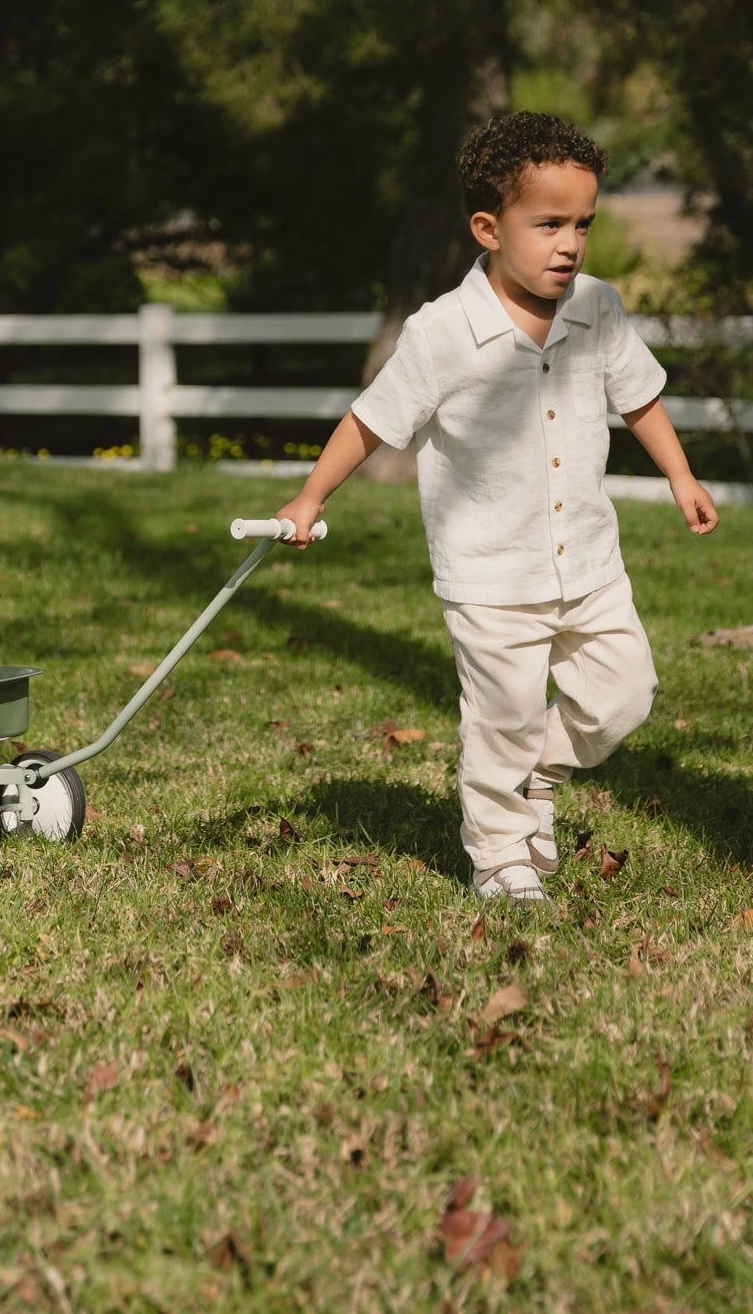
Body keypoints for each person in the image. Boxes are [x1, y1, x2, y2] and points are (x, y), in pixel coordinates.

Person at [277, 110, 718, 902]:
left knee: (625, 694)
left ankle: (536, 773)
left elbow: (642, 398)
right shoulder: (443, 332)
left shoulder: (598, 309)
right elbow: (371, 421)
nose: (570, 244)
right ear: (489, 228)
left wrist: (682, 478)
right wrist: (310, 497)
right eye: (547, 223)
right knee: (500, 719)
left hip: (588, 562)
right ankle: (500, 856)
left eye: (582, 223)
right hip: (489, 577)